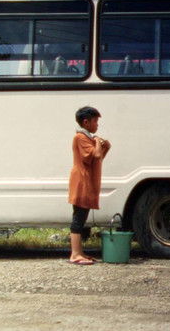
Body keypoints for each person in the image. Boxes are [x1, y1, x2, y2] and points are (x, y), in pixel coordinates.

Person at [68, 106, 111, 265]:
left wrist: (104, 145)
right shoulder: (80, 137)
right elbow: (96, 154)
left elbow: (97, 158)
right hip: (81, 182)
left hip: (86, 181)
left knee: (82, 216)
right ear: (86, 122)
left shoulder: (87, 138)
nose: (97, 125)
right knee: (78, 218)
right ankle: (75, 254)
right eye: (95, 121)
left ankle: (79, 253)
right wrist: (99, 142)